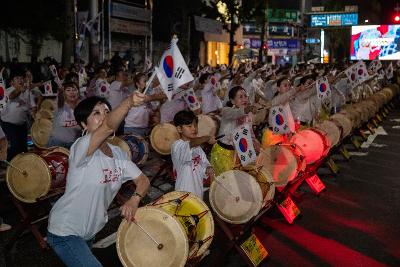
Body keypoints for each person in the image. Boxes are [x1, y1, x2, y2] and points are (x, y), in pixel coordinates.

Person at [47, 92, 150, 267]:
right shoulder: (81, 147)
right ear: (83, 124)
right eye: (97, 113)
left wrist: (134, 199)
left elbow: (143, 180)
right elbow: (108, 127)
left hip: (89, 232)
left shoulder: (118, 153)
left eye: (107, 111)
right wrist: (128, 102)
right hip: (65, 230)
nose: (105, 115)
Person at [210, 86, 258, 176]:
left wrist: (256, 143)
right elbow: (237, 113)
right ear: (232, 101)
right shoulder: (227, 111)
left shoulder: (248, 116)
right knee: (227, 182)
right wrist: (248, 109)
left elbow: (249, 133)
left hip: (239, 153)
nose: (244, 99)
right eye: (240, 97)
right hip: (223, 153)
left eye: (245, 96)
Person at [171, 110, 215, 199]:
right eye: (189, 126)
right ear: (179, 129)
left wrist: (208, 168)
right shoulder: (177, 146)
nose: (194, 129)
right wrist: (207, 137)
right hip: (183, 194)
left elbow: (204, 164)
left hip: (198, 192)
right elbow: (191, 144)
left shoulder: (198, 148)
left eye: (195, 125)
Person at [0, 71, 36, 160]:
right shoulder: (7, 91)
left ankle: (20, 163)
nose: (20, 80)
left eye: (21, 78)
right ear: (12, 82)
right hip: (8, 124)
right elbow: (12, 96)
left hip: (22, 124)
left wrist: (35, 115)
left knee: (23, 147)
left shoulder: (27, 92)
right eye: (17, 78)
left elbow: (33, 106)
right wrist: (21, 89)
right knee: (14, 144)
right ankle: (6, 161)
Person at [47, 82, 81, 148]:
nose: (72, 92)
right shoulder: (59, 105)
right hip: (56, 142)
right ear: (64, 93)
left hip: (73, 143)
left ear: (78, 92)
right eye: (68, 90)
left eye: (74, 90)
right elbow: (60, 100)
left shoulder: (81, 107)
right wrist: (60, 93)